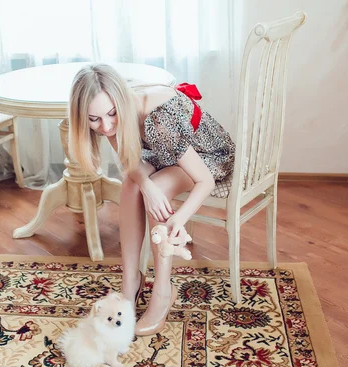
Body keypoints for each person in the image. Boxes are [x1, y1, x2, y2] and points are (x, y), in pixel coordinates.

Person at [68, 63, 235, 336]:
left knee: (156, 186)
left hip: (210, 159)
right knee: (131, 186)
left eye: (112, 114)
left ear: (120, 101)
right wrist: (145, 185)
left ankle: (162, 291)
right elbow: (129, 160)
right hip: (165, 155)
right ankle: (130, 282)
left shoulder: (158, 118)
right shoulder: (111, 119)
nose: (106, 125)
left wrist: (179, 218)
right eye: (94, 119)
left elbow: (204, 180)